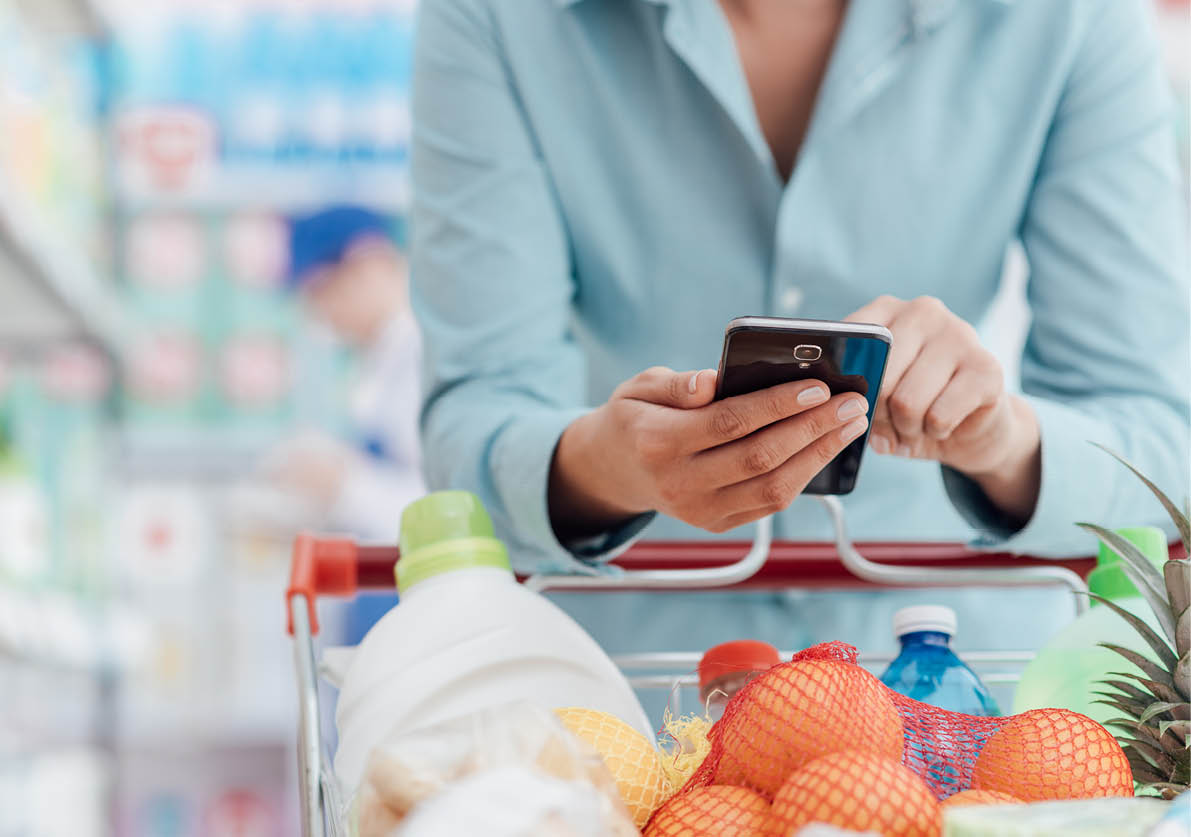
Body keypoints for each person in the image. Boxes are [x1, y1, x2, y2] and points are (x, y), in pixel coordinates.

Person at [407, 0, 1190, 707]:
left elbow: (1152, 433)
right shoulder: (499, 18)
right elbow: (477, 412)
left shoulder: (1073, 19)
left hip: (955, 710)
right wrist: (613, 465)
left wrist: (999, 439)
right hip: (633, 710)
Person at [269, 206, 425, 546]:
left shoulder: (428, 357)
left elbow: (451, 513)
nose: (318, 315)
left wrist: (343, 484)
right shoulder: (382, 362)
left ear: (367, 264)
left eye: (321, 292)